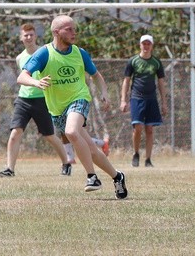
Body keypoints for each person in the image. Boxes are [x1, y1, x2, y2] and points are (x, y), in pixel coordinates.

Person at [17, 15, 128, 199]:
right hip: (58, 110)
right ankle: (117, 176)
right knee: (91, 150)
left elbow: (96, 75)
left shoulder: (80, 53)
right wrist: (36, 82)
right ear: (56, 32)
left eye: (74, 28)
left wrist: (105, 94)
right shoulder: (44, 53)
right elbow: (22, 77)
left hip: (79, 99)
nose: (73, 32)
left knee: (71, 132)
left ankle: (92, 177)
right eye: (68, 29)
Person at [0, 23, 71, 177]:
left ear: (36, 36)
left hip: (42, 99)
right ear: (21, 38)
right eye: (25, 35)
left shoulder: (45, 53)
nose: (28, 38)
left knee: (49, 135)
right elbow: (23, 77)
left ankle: (66, 162)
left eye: (31, 34)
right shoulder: (20, 58)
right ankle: (10, 169)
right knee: (15, 132)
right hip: (23, 99)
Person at [120, 34, 168, 168]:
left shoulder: (156, 62)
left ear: (152, 46)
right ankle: (136, 154)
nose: (146, 46)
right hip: (137, 97)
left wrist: (164, 103)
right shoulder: (133, 61)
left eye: (148, 44)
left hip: (151, 98)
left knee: (150, 129)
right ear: (140, 45)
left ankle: (148, 159)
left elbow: (161, 83)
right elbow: (126, 81)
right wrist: (123, 100)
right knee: (138, 127)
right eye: (144, 44)